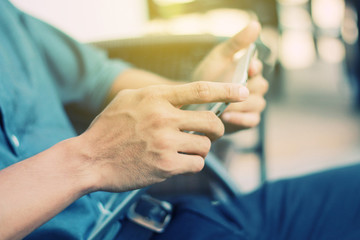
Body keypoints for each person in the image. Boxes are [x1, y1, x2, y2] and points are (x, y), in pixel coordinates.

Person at [0, 1, 359, 240]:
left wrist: (195, 100)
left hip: (168, 220)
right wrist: (90, 158)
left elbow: (97, 79)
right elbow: (92, 153)